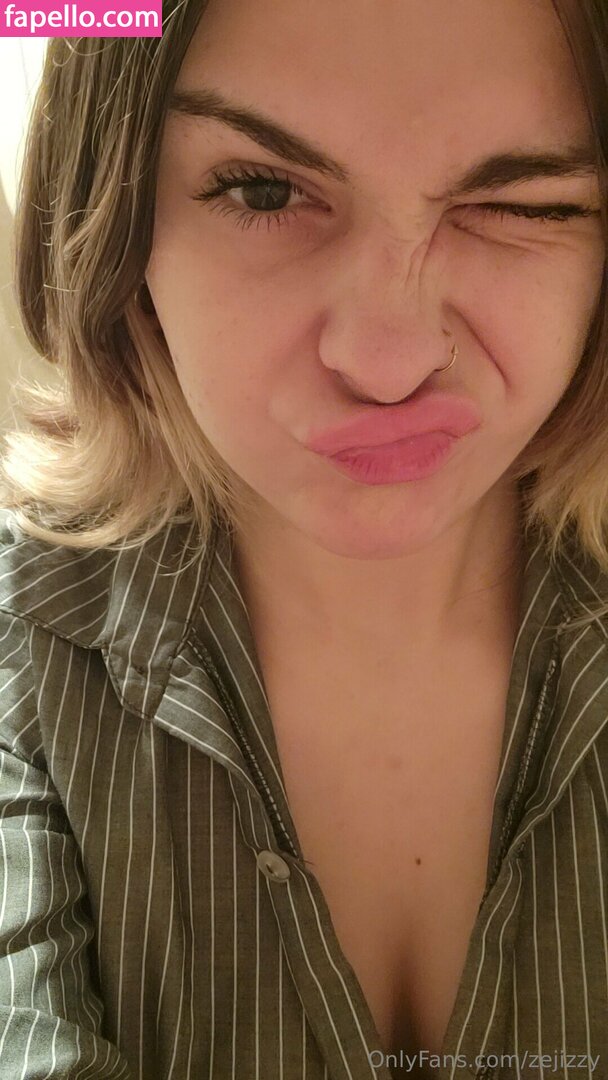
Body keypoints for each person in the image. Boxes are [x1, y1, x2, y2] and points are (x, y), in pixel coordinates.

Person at [0, 1, 607, 1077]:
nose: (387, 362)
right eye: (262, 192)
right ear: (116, 215)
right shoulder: (25, 652)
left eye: (522, 205)